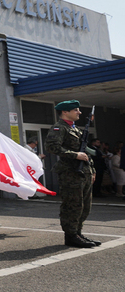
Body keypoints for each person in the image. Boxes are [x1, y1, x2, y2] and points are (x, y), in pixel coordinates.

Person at [45, 100, 98, 248]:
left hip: (83, 172)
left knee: (85, 206)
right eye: (76, 110)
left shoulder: (75, 129)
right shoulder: (59, 128)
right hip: (70, 173)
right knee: (72, 206)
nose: (79, 112)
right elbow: (51, 147)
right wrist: (74, 155)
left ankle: (78, 233)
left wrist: (92, 170)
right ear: (65, 112)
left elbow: (86, 152)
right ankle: (71, 236)